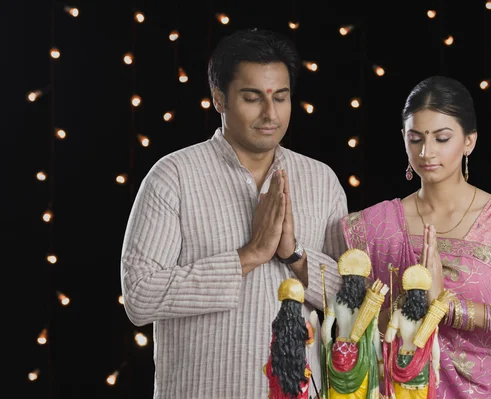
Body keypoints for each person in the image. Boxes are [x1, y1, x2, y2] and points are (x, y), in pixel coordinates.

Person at [120, 28, 348, 399]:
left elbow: (352, 303)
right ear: (219, 99)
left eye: (281, 97)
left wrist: (295, 256)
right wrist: (249, 255)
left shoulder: (321, 180)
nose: (270, 114)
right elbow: (140, 297)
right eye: (252, 98)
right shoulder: (174, 176)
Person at [341, 75, 491, 398]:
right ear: (403, 138)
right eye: (415, 138)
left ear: (469, 141)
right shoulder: (373, 225)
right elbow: (353, 333)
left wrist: (449, 309)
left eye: (442, 138)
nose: (427, 151)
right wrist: (409, 304)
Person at [320, 248, 388, 399]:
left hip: (339, 352)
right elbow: (374, 335)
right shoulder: (370, 304)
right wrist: (380, 361)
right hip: (363, 354)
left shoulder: (335, 300)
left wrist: (329, 348)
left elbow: (325, 330)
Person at [383, 264, 442, 399]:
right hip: (422, 365)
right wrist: (435, 369)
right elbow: (434, 348)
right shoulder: (429, 318)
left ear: (407, 293)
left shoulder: (398, 314)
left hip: (402, 362)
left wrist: (396, 331)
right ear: (424, 294)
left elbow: (388, 338)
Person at [264, 278, 319, 399]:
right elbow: (310, 344)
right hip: (298, 372)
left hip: (277, 370)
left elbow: (273, 345)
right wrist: (312, 326)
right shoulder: (305, 326)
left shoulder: (277, 325)